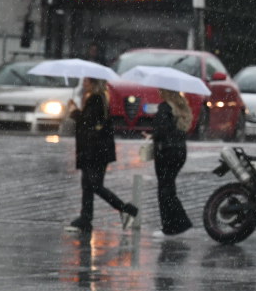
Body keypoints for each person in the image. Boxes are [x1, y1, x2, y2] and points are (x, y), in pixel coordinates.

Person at [66, 78, 137, 233]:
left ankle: (125, 208)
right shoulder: (98, 98)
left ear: (93, 83)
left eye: (86, 80)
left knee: (94, 185)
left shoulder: (96, 99)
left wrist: (74, 112)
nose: (83, 83)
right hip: (95, 149)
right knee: (87, 184)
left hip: (95, 150)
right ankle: (85, 218)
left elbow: (87, 123)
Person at [150, 89, 194, 238]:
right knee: (169, 187)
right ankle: (178, 223)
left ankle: (172, 225)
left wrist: (153, 134)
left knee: (164, 189)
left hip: (166, 152)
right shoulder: (181, 107)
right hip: (179, 151)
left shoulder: (165, 107)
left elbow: (161, 131)